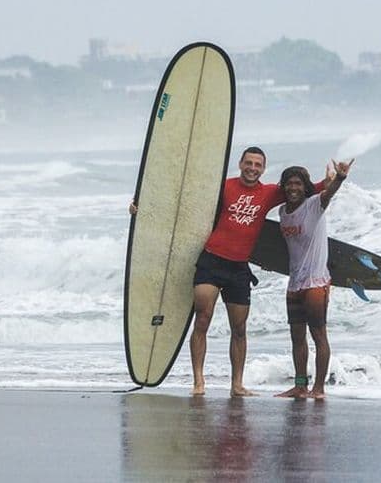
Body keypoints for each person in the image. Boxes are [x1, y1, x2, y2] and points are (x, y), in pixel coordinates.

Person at [131, 147, 324, 397]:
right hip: (211, 261)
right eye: (249, 163)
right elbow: (184, 204)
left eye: (258, 164)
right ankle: (199, 382)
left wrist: (336, 179)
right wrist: (143, 208)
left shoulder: (269, 193)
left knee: (239, 329)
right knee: (202, 319)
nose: (252, 168)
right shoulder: (223, 187)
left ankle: (237, 384)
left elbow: (306, 189)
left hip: (239, 268)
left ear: (263, 169)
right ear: (241, 163)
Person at [274, 159, 353, 399]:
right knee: (297, 337)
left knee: (318, 335)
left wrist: (339, 178)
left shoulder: (314, 205)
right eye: (288, 184)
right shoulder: (282, 212)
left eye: (298, 183)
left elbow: (328, 194)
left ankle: (319, 388)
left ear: (306, 186)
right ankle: (300, 386)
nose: (293, 188)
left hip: (316, 283)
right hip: (294, 283)